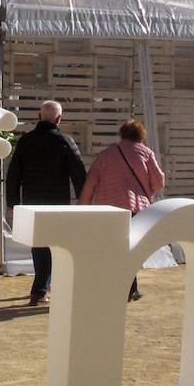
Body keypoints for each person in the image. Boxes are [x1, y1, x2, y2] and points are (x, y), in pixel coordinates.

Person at [5, 100, 86, 307]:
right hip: (57, 204)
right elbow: (79, 175)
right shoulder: (66, 141)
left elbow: (13, 174)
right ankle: (40, 290)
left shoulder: (25, 141)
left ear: (39, 117)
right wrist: (83, 201)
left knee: (39, 245)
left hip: (32, 203)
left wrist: (12, 203)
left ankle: (44, 286)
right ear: (59, 119)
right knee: (55, 246)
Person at [80, 119, 166, 302]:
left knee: (110, 248)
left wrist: (83, 208)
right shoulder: (146, 153)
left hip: (108, 209)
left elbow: (91, 183)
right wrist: (146, 192)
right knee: (130, 249)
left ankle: (110, 285)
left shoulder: (106, 154)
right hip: (136, 209)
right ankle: (129, 289)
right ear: (140, 135)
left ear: (122, 133)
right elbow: (159, 181)